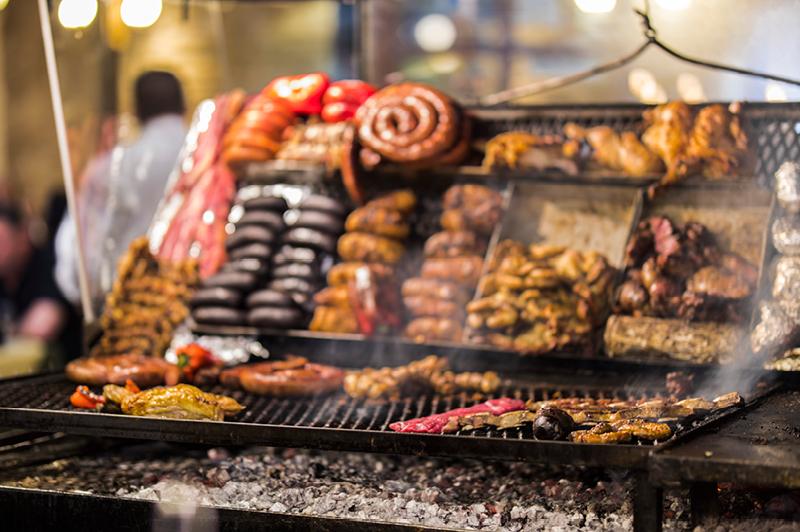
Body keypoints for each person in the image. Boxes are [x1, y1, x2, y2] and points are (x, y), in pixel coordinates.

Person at [55, 71, 187, 310]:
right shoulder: (211, 155)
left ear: (136, 111)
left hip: (132, 306)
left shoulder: (113, 168)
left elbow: (80, 255)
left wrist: (87, 299)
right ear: (183, 105)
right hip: (204, 300)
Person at [0, 203, 66, 344]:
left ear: (22, 236)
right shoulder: (4, 278)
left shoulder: (48, 262)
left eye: (2, 242)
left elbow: (45, 323)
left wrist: (13, 332)